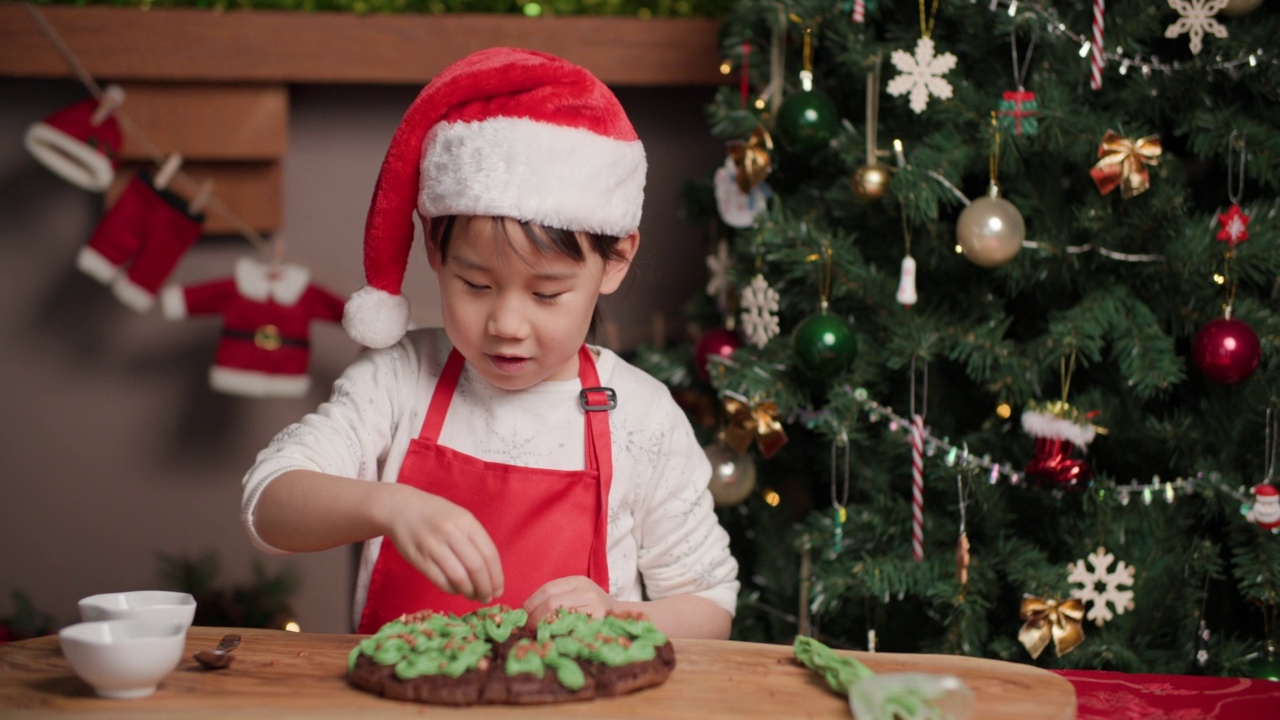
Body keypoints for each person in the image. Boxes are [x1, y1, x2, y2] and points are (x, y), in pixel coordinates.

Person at [240, 47, 739, 639]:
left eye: (547, 293)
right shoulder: (399, 380)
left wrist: (621, 616)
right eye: (476, 284)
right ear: (435, 251)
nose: (506, 323)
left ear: (614, 262)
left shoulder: (642, 418)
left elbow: (709, 606)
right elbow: (268, 506)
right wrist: (391, 506)